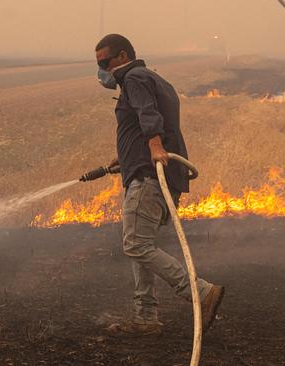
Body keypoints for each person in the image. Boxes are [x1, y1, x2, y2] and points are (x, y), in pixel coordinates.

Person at [95, 34, 224, 337]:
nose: (101, 69)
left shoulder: (135, 78)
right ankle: (146, 317)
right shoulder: (151, 78)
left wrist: (153, 147)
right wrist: (126, 157)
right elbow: (147, 119)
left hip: (149, 177)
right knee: (141, 245)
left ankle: (201, 293)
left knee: (136, 245)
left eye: (104, 62)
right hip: (147, 171)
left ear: (122, 56)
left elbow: (149, 116)